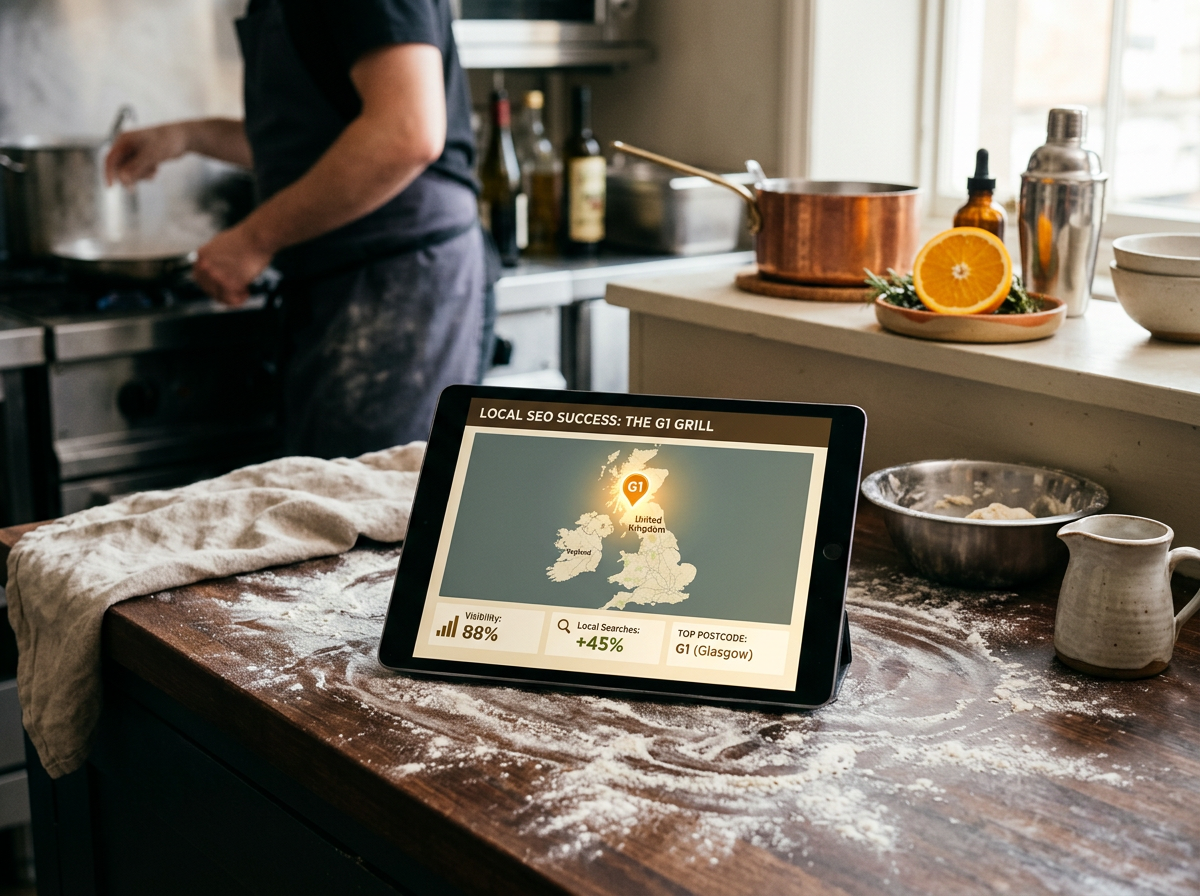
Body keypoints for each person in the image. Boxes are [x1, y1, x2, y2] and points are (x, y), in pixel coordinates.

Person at [106, 0, 490, 458]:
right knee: (330, 505)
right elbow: (316, 145)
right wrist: (189, 136)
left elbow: (405, 133)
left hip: (399, 284)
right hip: (343, 287)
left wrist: (253, 239)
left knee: (375, 512)